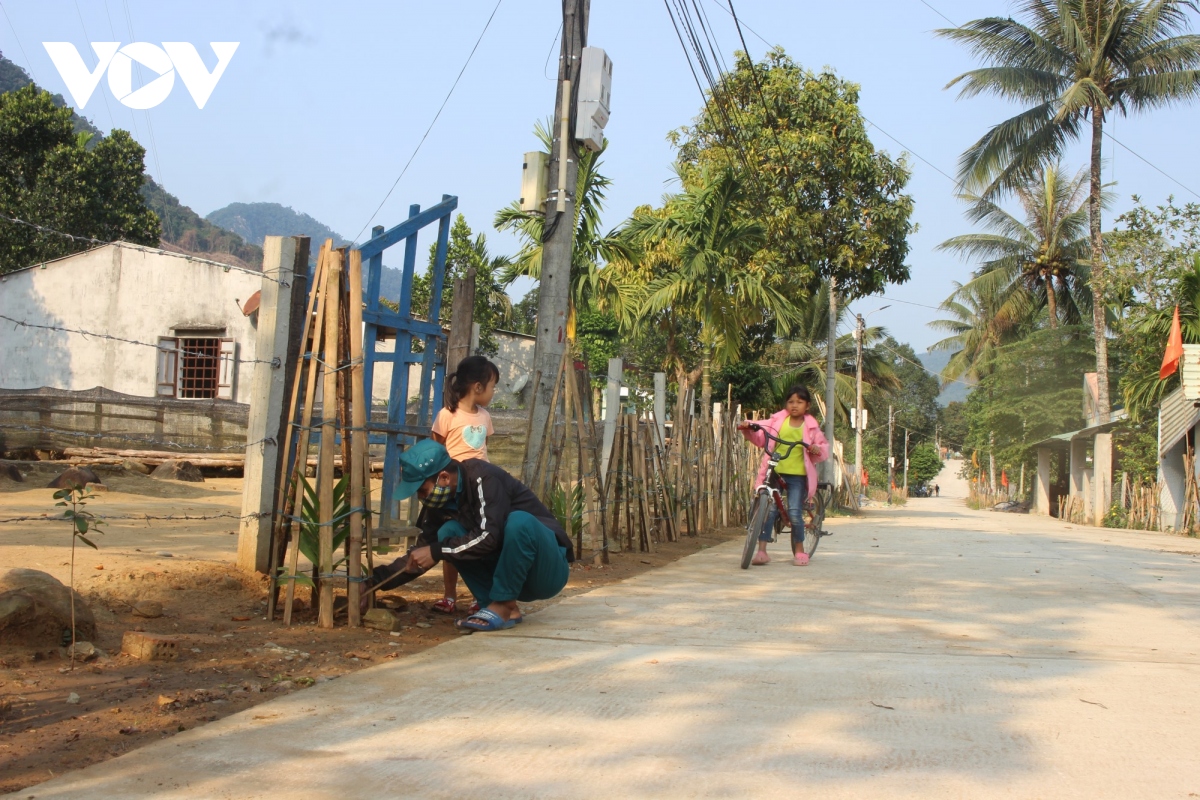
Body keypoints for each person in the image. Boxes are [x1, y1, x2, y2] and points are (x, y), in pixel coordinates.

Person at [365, 439, 573, 632]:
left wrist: (437, 551)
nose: (420, 498)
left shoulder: (483, 478)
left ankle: (502, 604)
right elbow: (420, 554)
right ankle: (500, 608)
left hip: (546, 571)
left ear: (444, 477)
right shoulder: (439, 503)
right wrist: (371, 583)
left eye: (421, 490)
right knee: (447, 532)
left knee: (519, 521)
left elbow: (489, 536)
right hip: (513, 579)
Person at [427, 356, 500, 615]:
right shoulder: (447, 415)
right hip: (456, 491)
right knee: (452, 540)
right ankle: (449, 596)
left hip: (480, 490)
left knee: (477, 540)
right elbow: (437, 452)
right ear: (477, 387)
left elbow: (483, 452)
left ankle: (478, 596)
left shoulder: (485, 417)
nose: (494, 392)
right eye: (492, 386)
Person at [737, 385, 830, 566]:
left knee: (795, 512)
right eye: (791, 401)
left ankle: (800, 551)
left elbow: (823, 448)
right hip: (774, 470)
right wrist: (748, 427)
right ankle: (762, 551)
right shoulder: (777, 421)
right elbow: (760, 433)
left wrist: (816, 449)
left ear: (808, 405)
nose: (794, 405)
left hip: (798, 476)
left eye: (799, 402)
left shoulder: (811, 427)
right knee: (768, 511)